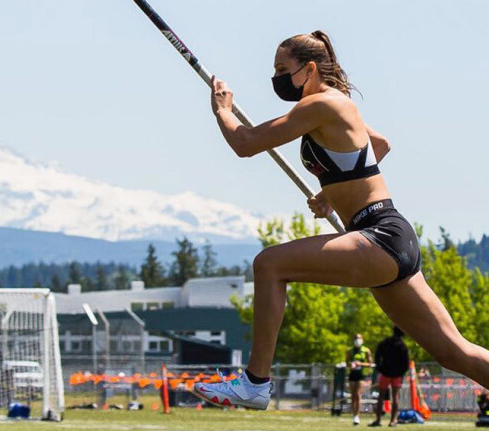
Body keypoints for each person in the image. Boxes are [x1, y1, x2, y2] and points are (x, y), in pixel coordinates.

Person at [193, 30, 489, 410]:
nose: (276, 78)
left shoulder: (321, 106)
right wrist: (329, 195)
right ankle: (255, 382)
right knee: (455, 353)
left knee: (269, 265)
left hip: (378, 236)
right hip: (389, 235)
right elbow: (379, 145)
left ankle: (255, 382)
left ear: (309, 68)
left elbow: (246, 143)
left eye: (282, 69)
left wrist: (222, 109)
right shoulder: (338, 106)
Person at [369, 326, 410, 427]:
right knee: (395, 397)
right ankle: (393, 420)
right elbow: (406, 363)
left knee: (381, 396)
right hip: (397, 375)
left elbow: (378, 355)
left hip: (385, 373)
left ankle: (378, 420)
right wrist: (401, 373)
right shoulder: (403, 346)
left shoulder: (385, 343)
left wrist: (380, 368)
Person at [346, 334, 373, 425]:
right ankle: (354, 415)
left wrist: (360, 364)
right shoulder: (350, 351)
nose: (358, 340)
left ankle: (357, 415)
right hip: (352, 375)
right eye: (356, 338)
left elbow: (370, 363)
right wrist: (351, 364)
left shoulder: (366, 350)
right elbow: (347, 363)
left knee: (358, 395)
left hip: (361, 375)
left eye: (359, 338)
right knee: (353, 395)